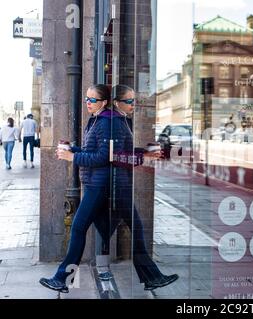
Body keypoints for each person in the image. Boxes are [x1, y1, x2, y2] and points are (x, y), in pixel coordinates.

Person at [99, 84, 178, 290]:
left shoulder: (121, 120)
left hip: (117, 184)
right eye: (129, 101)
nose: (133, 104)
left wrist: (145, 151)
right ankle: (150, 277)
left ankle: (77, 269)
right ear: (116, 102)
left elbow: (123, 150)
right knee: (135, 229)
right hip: (118, 185)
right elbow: (115, 156)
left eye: (134, 101)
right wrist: (144, 156)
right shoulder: (115, 122)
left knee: (104, 229)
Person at [39, 84, 114, 293]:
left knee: (78, 228)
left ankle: (62, 278)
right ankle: (144, 265)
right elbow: (91, 151)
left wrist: (72, 157)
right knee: (108, 228)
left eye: (93, 100)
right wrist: (73, 149)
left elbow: (103, 157)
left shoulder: (106, 123)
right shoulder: (96, 120)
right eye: (87, 99)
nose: (88, 103)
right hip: (92, 182)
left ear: (104, 102)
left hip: (98, 185)